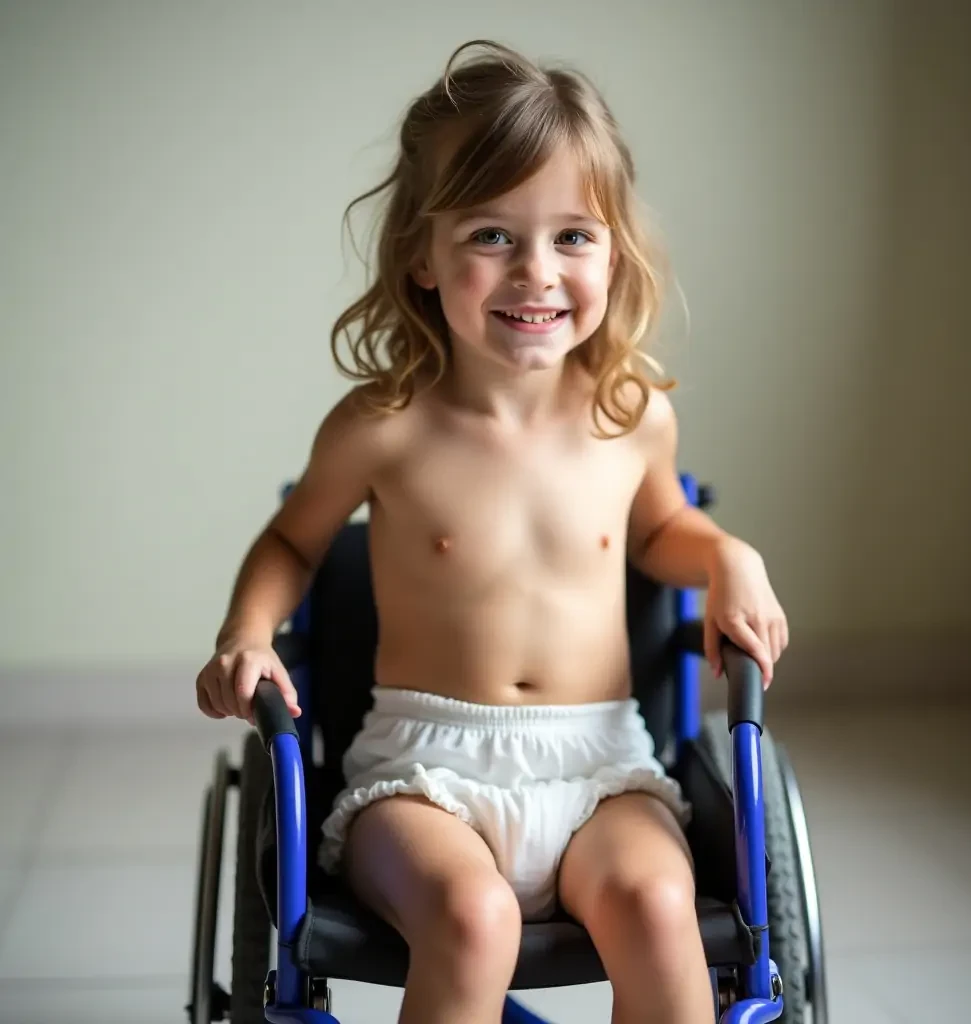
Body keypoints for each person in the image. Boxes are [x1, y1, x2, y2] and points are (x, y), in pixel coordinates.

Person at [196, 39, 787, 1024]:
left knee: (655, 900)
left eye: (571, 236)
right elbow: (293, 542)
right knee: (471, 919)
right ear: (421, 255)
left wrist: (727, 555)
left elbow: (659, 530)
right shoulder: (385, 423)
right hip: (426, 772)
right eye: (490, 236)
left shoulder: (628, 413)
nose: (536, 272)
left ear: (614, 250)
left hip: (600, 764)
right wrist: (247, 632)